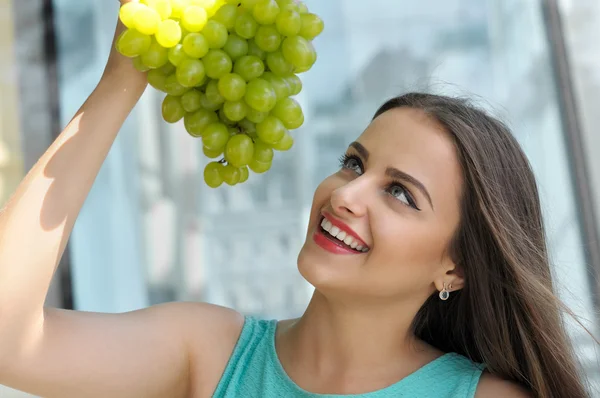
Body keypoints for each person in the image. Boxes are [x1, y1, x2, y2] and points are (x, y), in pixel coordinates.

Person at [0, 1, 594, 397]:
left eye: (399, 193)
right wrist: (120, 81)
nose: (346, 194)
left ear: (455, 266)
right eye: (353, 164)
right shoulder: (209, 353)